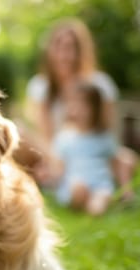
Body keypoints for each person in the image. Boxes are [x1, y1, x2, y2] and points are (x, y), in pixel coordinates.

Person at [25, 18, 135, 199]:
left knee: (128, 159)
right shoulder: (40, 86)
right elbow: (45, 136)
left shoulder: (100, 84)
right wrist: (57, 159)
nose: (63, 55)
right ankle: (60, 178)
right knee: (20, 132)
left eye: (70, 47)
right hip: (55, 151)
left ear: (81, 51)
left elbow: (108, 130)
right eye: (58, 47)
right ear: (50, 51)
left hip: (91, 148)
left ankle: (101, 184)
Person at [52, 82, 116, 216]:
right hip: (75, 183)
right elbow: (59, 168)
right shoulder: (65, 137)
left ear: (95, 109)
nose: (78, 110)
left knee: (100, 201)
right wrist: (50, 177)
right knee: (78, 190)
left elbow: (113, 162)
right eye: (74, 104)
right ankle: (84, 203)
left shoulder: (104, 137)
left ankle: (94, 206)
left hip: (99, 183)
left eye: (84, 105)